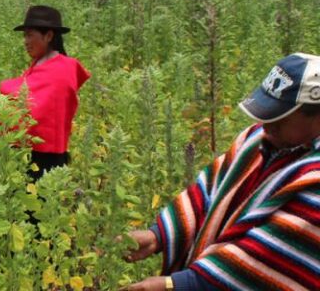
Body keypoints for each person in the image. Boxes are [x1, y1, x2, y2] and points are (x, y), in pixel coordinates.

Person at [122, 53, 320, 291]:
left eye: (279, 118)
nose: (266, 125)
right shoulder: (256, 140)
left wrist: (177, 285)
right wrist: (159, 236)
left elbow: (271, 258)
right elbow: (209, 192)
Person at [0, 5, 90, 179]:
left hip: (46, 158)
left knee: (37, 203)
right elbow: (27, 92)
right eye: (25, 35)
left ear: (48, 36)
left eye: (30, 35)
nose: (25, 41)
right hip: (28, 151)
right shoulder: (42, 64)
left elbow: (35, 108)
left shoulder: (63, 68)